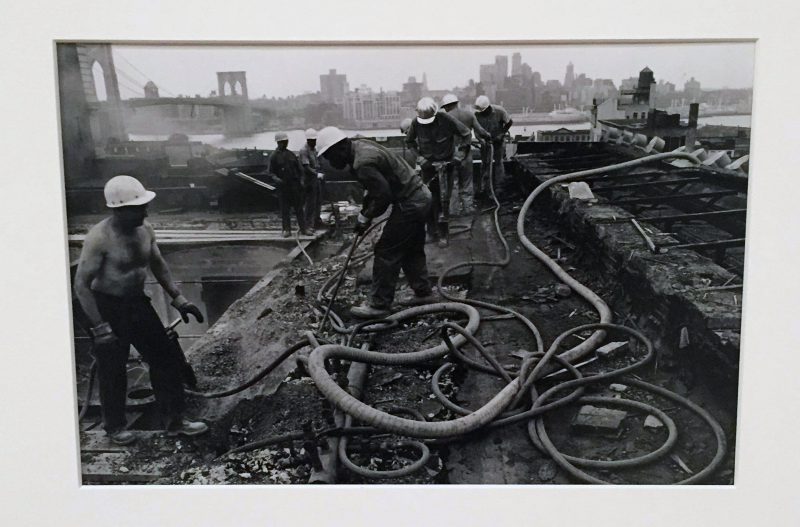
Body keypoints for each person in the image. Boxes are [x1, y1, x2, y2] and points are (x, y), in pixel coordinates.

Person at [73, 175, 208, 445]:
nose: (145, 211)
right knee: (113, 368)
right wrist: (100, 327)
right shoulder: (99, 238)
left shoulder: (145, 229)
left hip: (137, 302)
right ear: (119, 209)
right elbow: (81, 286)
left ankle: (175, 421)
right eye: (139, 207)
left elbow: (158, 264)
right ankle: (115, 428)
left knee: (165, 357)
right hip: (107, 305)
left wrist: (179, 298)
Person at [316, 126, 436, 318]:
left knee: (386, 250)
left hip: (411, 202)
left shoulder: (362, 163)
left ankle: (379, 305)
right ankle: (423, 292)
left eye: (330, 157)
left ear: (339, 149)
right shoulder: (360, 145)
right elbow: (373, 190)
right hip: (421, 196)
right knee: (411, 247)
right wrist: (364, 212)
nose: (331, 162)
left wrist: (365, 217)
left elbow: (383, 196)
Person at [405, 97, 471, 246]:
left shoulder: (446, 119)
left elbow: (466, 134)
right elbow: (409, 142)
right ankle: (430, 231)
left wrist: (459, 156)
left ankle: (443, 233)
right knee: (428, 200)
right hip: (427, 167)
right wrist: (419, 158)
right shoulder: (416, 123)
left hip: (446, 166)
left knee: (443, 201)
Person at [439, 93, 491, 215]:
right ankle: (468, 209)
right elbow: (481, 132)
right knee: (467, 182)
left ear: (446, 106)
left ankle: (454, 211)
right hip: (466, 153)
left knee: (453, 184)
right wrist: (488, 136)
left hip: (451, 155)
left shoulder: (444, 119)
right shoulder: (469, 114)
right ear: (457, 103)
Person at [269, 132, 309, 237]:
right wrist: (277, 179)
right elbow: (270, 172)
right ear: (278, 142)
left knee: (299, 208)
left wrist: (301, 180)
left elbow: (299, 169)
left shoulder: (291, 154)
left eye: (286, 142)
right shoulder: (274, 156)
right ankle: (286, 229)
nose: (285, 143)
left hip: (294, 185)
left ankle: (304, 228)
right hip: (283, 187)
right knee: (285, 209)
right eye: (283, 142)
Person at [473, 95, 513, 202]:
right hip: (485, 143)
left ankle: (499, 187)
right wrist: (480, 140)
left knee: (499, 162)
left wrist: (501, 134)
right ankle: (484, 188)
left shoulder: (499, 111)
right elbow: (475, 129)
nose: (481, 112)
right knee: (485, 163)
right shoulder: (476, 114)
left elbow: (509, 122)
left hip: (498, 142)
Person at [298, 128, 324, 230]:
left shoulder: (314, 150)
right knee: (310, 203)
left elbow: (317, 163)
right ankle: (308, 224)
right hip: (308, 180)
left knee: (318, 201)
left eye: (315, 140)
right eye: (312, 140)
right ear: (308, 140)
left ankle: (317, 221)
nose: (314, 142)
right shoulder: (304, 151)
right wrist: (317, 174)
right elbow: (306, 167)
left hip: (316, 180)